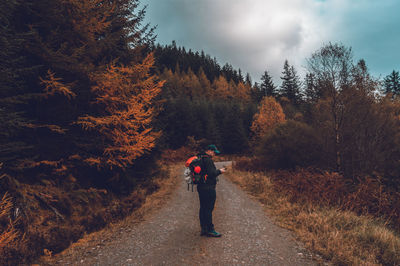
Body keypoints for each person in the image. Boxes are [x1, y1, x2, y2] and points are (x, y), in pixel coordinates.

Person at [197, 144, 226, 237]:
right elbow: (212, 173)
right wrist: (220, 171)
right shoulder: (208, 160)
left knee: (203, 208)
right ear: (209, 150)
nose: (214, 154)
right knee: (208, 209)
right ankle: (210, 229)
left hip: (201, 187)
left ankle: (203, 229)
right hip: (208, 188)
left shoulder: (200, 158)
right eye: (214, 152)